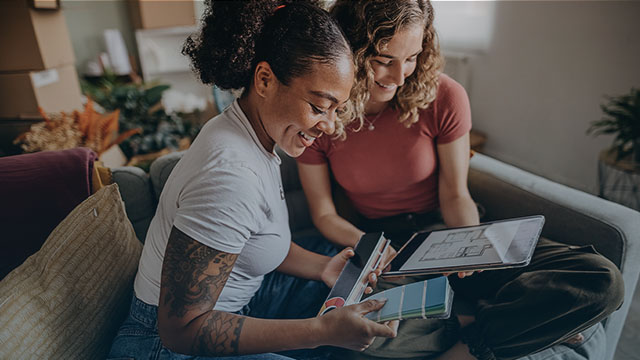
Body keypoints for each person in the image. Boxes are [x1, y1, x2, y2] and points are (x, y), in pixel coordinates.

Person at [296, 1, 624, 359]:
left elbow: (455, 193)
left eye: (411, 58)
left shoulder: (445, 96)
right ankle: (499, 322)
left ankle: (470, 340)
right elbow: (324, 215)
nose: (400, 76)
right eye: (383, 60)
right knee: (359, 329)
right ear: (350, 50)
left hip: (448, 233)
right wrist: (373, 249)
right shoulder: (323, 115)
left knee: (600, 279)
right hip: (387, 248)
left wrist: (470, 244)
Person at [107, 2, 398, 360]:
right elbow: (180, 331)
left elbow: (252, 240)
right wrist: (319, 331)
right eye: (320, 106)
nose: (329, 125)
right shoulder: (229, 176)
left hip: (234, 306)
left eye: (337, 109)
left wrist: (323, 268)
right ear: (264, 80)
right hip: (162, 347)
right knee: (334, 333)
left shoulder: (251, 132)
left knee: (353, 288)